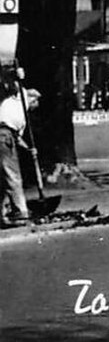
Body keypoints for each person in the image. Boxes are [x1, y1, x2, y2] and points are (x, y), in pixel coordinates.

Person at [0, 68, 40, 227]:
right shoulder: (19, 96)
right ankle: (21, 212)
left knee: (3, 177)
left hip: (7, 136)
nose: (33, 106)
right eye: (34, 103)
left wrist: (29, 149)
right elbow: (13, 83)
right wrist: (16, 73)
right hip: (3, 134)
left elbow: (16, 137)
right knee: (12, 175)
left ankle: (2, 214)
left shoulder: (21, 118)